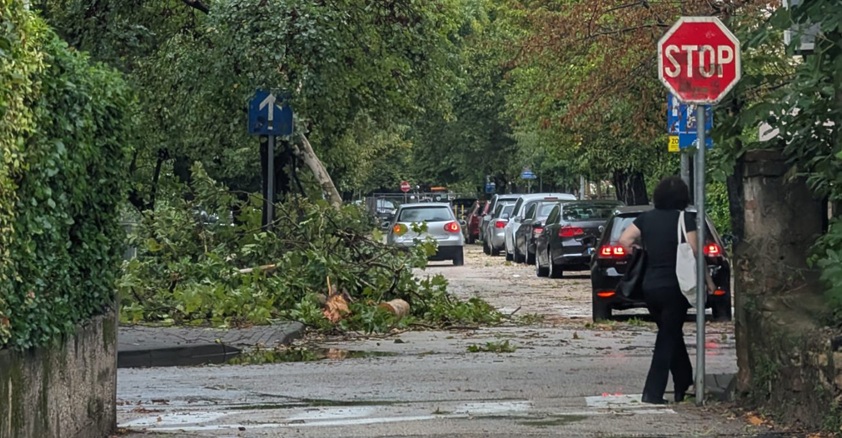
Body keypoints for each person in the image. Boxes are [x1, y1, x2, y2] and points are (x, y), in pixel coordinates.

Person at [618, 176, 715, 404]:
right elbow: (694, 251)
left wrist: (644, 248)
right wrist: (708, 282)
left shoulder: (645, 219)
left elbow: (624, 240)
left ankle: (683, 382)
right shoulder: (685, 219)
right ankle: (652, 392)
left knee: (671, 334)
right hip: (676, 287)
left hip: (650, 286)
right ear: (683, 197)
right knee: (667, 337)